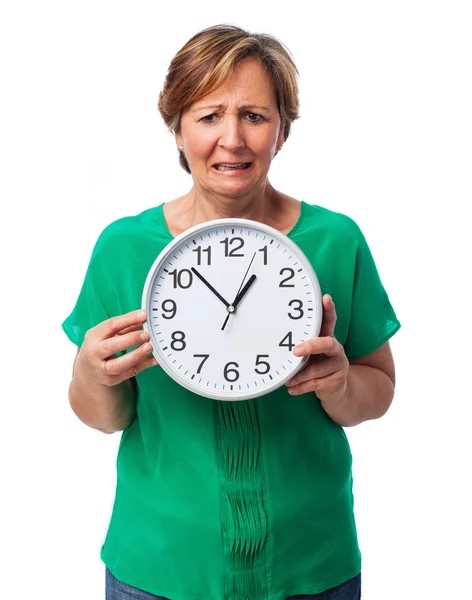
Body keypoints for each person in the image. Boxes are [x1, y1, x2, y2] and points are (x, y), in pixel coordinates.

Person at [62, 24, 401, 600]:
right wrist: (91, 375)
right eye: (209, 115)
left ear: (283, 130)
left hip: (309, 563)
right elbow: (106, 417)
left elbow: (381, 387)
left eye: (254, 116)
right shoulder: (122, 247)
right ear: (177, 129)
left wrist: (341, 385)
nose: (232, 139)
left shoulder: (336, 241)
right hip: (161, 566)